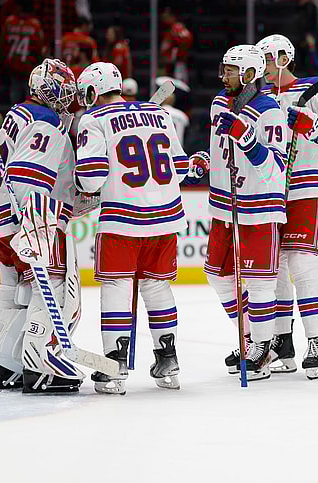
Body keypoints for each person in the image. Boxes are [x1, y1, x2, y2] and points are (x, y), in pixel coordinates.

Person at [75, 61, 190, 394]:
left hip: (123, 218)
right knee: (157, 287)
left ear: (94, 90)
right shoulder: (161, 114)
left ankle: (114, 368)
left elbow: (91, 176)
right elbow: (180, 168)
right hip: (166, 215)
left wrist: (83, 182)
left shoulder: (93, 119)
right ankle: (168, 362)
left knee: (116, 289)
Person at [183, 45, 287, 381]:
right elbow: (221, 150)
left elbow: (276, 170)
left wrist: (247, 139)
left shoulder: (269, 110)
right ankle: (249, 339)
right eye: (223, 69)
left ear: (250, 74)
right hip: (223, 205)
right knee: (216, 273)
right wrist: (204, 161)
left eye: (230, 70)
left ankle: (262, 346)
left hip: (258, 207)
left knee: (259, 284)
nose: (222, 76)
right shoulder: (219, 103)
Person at [0, 58, 82, 392]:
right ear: (48, 88)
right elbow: (29, 177)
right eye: (64, 90)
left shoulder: (18, 114)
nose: (67, 99)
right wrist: (33, 224)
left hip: (0, 215)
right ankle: (43, 362)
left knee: (12, 291)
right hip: (31, 217)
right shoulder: (46, 121)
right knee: (55, 286)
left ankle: (4, 361)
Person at [257, 34, 318, 380]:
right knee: (274, 265)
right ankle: (282, 341)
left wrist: (313, 128)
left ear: (284, 57)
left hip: (307, 183)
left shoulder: (315, 89)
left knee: (300, 260)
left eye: (266, 59)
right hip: (269, 187)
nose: (262, 66)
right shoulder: (261, 97)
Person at [0, 0, 46, 105]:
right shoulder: (34, 25)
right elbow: (40, 48)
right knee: (29, 94)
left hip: (13, 63)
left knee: (15, 93)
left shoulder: (9, 22)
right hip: (28, 65)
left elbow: (2, 44)